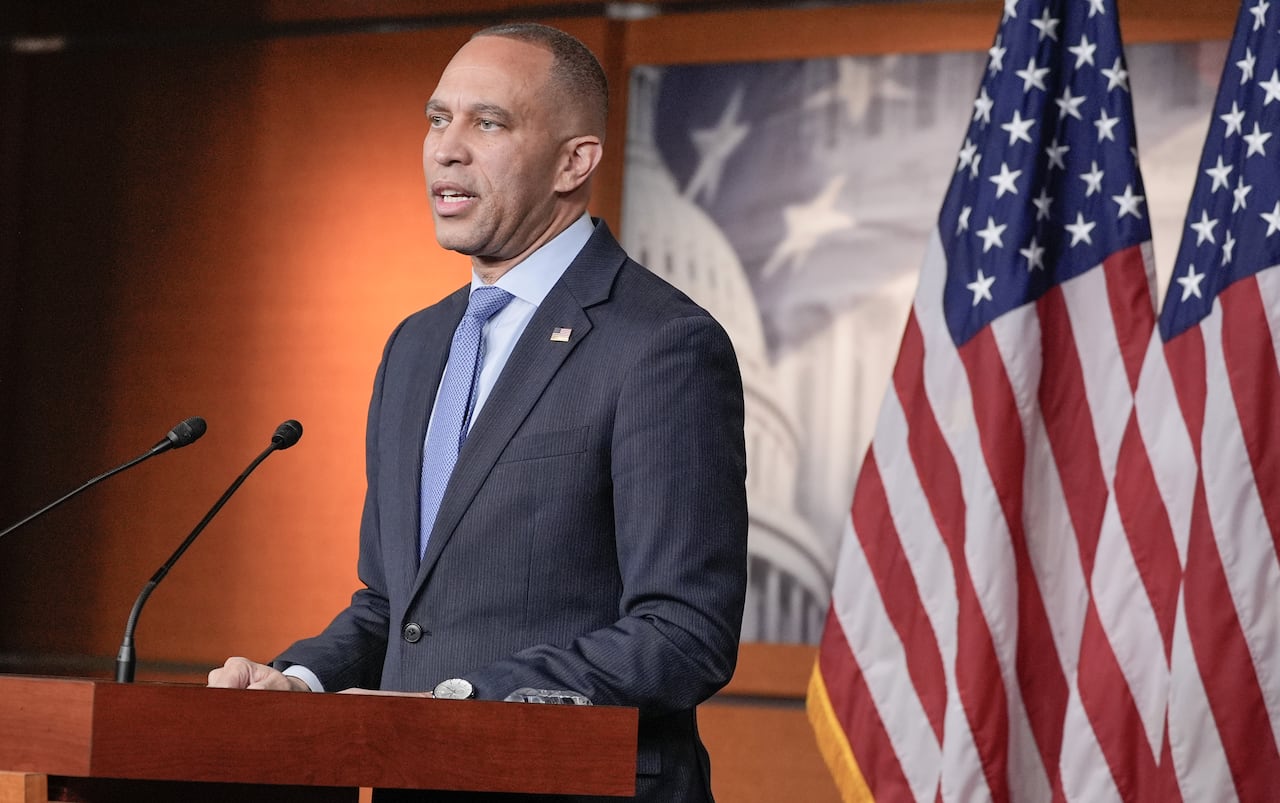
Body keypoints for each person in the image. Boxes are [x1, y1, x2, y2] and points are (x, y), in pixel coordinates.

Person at [208, 22, 748, 802]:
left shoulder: (662, 345)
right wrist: (300, 679)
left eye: (487, 122)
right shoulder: (416, 343)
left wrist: (464, 706)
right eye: (437, 119)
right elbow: (394, 605)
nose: (446, 149)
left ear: (575, 161)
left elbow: (684, 632)